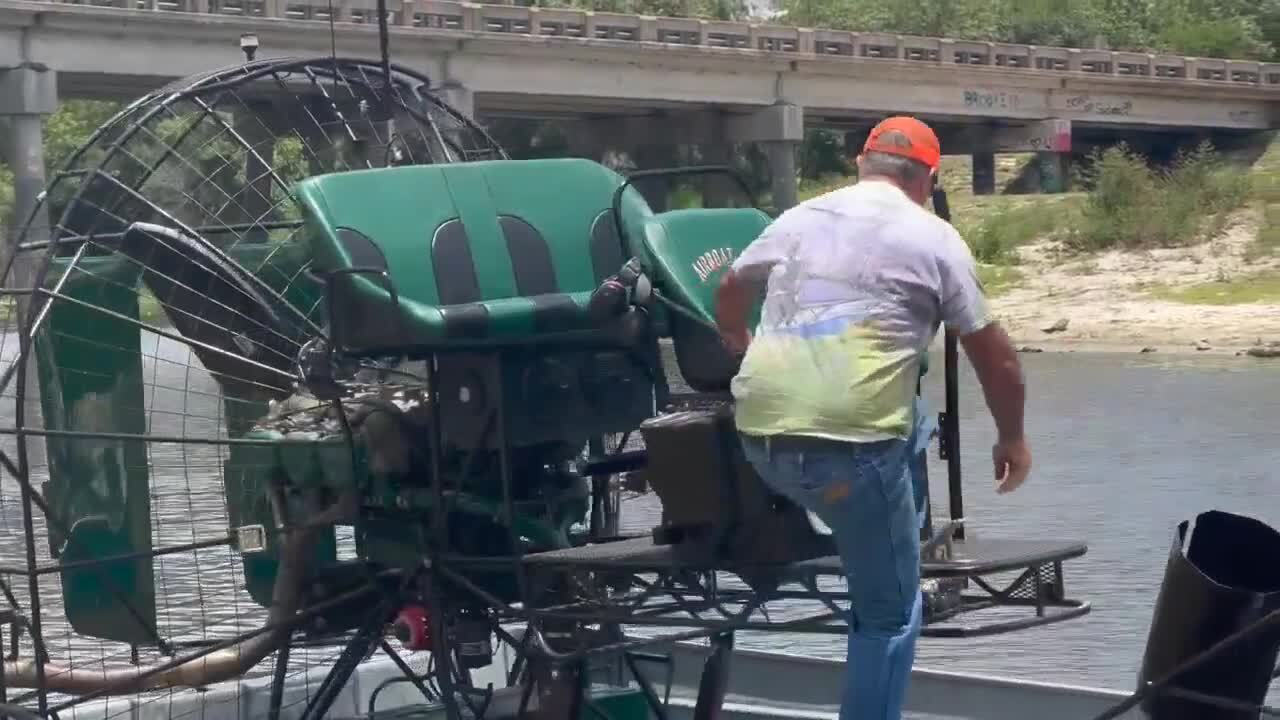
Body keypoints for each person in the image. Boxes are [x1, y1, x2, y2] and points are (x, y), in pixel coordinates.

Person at [713, 115, 1032, 720]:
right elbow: (999, 361)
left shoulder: (799, 217)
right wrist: (1012, 438)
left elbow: (731, 285)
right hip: (851, 461)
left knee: (915, 418)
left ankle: (901, 537)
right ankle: (895, 570)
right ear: (927, 179)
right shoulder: (935, 238)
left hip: (760, 442)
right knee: (888, 614)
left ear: (862, 163)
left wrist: (738, 338)